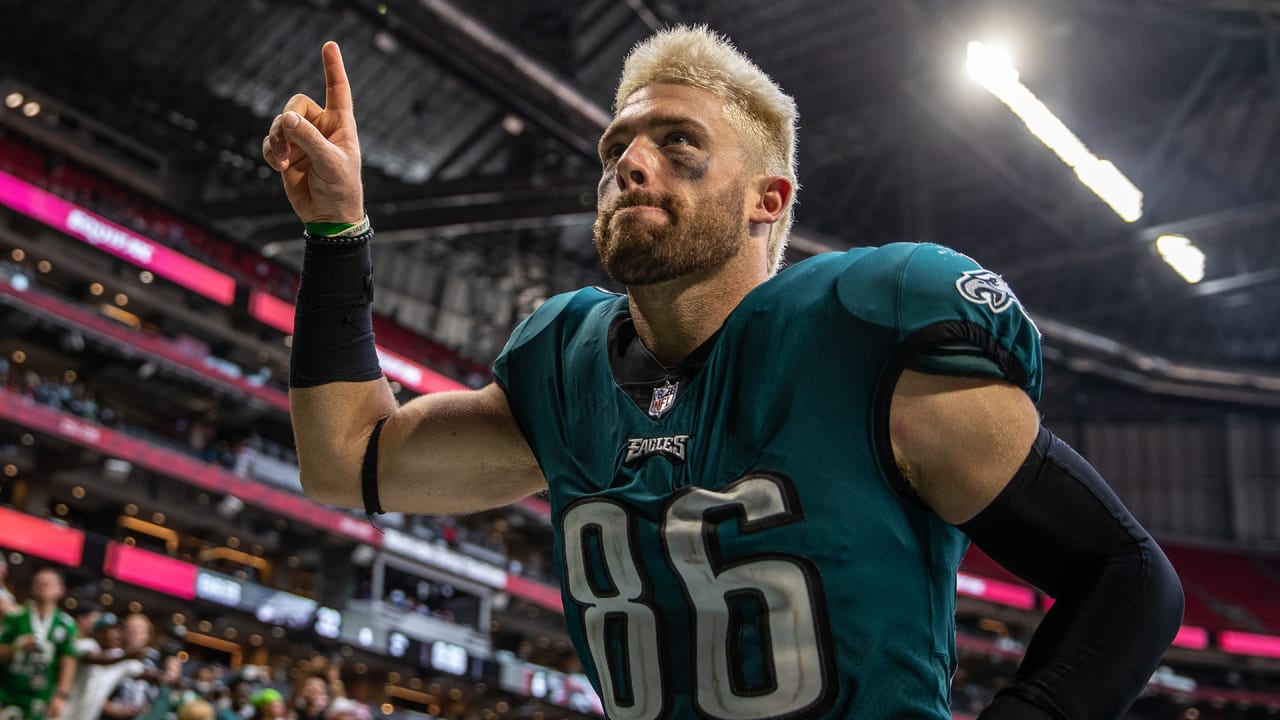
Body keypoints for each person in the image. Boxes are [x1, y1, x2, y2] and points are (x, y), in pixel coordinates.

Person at [262, 25, 1184, 719]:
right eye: (616, 148)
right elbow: (345, 457)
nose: (629, 163)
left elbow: (1129, 576)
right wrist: (337, 233)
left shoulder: (864, 335)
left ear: (767, 199)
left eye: (677, 144)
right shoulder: (564, 370)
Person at [0, 568, 79, 720]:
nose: (43, 586)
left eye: (48, 583)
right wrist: (17, 648)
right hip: (7, 692)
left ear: (61, 590)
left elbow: (68, 661)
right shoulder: (16, 617)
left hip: (40, 698)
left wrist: (61, 695)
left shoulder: (66, 624)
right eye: (39, 582)